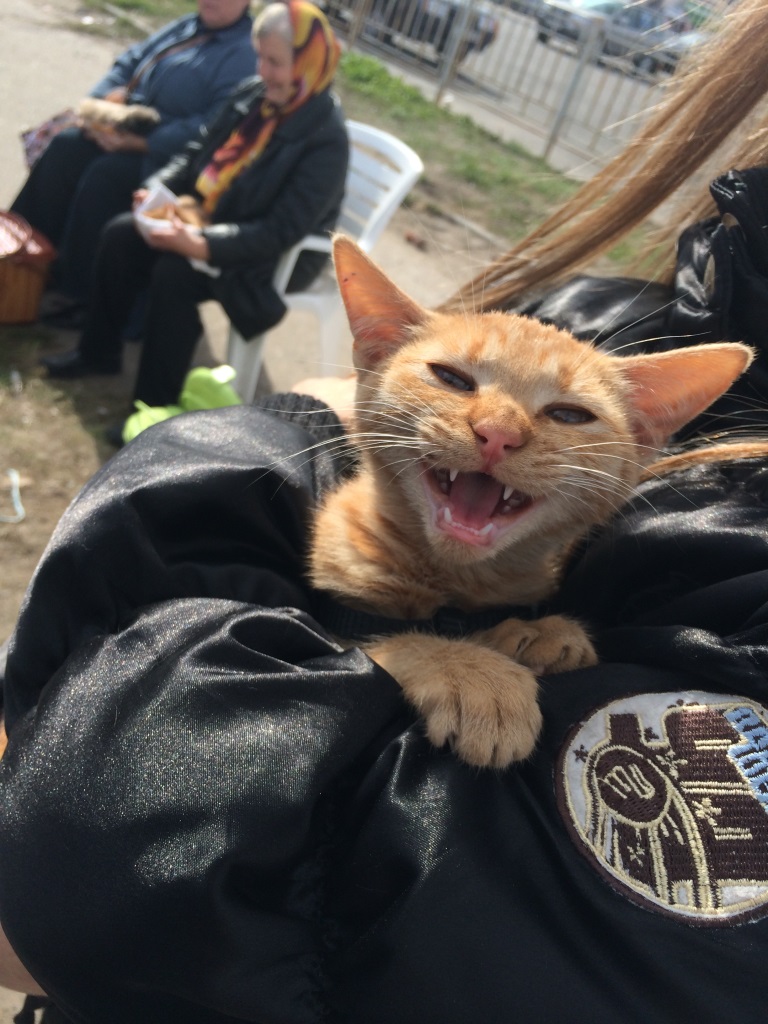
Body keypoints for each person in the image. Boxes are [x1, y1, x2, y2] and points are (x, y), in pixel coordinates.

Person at [4, 3, 768, 1023]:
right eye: (452, 380)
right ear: (373, 351)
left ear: (647, 441)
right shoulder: (644, 302)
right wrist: (411, 649)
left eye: (569, 415)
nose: (497, 428)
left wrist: (272, 428)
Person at [39, 0, 349, 423]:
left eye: (274, 62)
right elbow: (195, 153)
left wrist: (202, 245)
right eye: (259, 57)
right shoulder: (253, 96)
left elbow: (280, 231)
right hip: (215, 221)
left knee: (175, 274)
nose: (262, 71)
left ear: (308, 62)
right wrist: (156, 189)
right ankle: (97, 353)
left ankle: (152, 410)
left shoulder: (326, 139)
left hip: (270, 257)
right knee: (122, 233)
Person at [10, 0, 256, 326]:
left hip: (170, 159)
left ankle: (80, 293)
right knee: (66, 148)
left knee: (106, 176)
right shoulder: (188, 26)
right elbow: (129, 61)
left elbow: (212, 127)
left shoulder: (244, 53)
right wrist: (99, 107)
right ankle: (20, 260)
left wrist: (143, 143)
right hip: (125, 127)